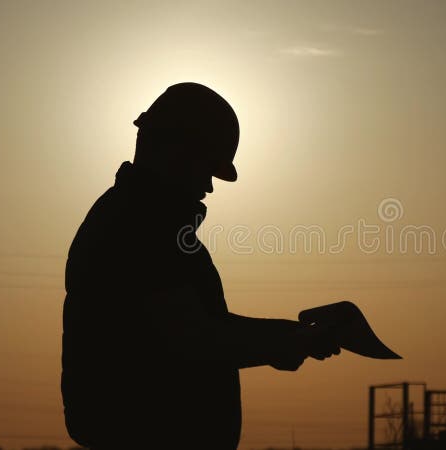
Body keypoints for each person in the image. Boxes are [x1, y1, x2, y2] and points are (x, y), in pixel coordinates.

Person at [61, 82, 340, 450]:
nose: (208, 186)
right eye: (207, 167)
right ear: (177, 152)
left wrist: (288, 337)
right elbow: (192, 338)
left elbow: (198, 327)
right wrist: (285, 342)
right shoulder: (140, 225)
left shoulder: (141, 221)